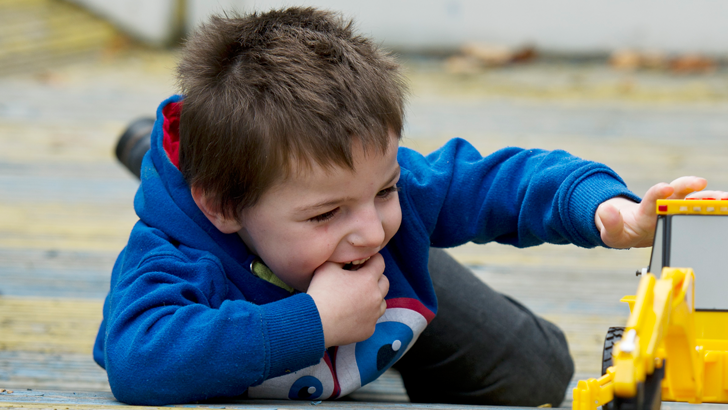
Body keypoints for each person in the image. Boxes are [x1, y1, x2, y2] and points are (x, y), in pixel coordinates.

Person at [96, 7, 719, 406]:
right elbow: (139, 358)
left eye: (384, 187)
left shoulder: (379, 213)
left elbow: (505, 178)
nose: (369, 228)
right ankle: (146, 154)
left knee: (534, 374)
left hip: (382, 293)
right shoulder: (173, 256)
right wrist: (311, 323)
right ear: (224, 206)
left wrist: (607, 211)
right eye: (325, 213)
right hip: (256, 274)